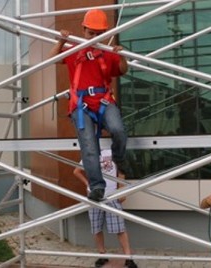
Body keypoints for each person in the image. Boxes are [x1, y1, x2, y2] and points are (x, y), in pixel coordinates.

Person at [50, 9, 129, 201]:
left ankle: (119, 158)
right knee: (89, 146)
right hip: (81, 104)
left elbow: (122, 70)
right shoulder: (75, 49)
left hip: (103, 100)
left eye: (98, 34)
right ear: (83, 30)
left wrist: (122, 55)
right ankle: (97, 186)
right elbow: (52, 58)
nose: (94, 37)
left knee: (118, 130)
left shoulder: (107, 52)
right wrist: (61, 40)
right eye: (91, 33)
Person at [73, 149, 137, 268]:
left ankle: (128, 258)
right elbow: (76, 171)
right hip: (94, 196)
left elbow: (121, 172)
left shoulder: (113, 151)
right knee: (96, 227)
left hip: (112, 195)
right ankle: (102, 255)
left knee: (119, 227)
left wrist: (122, 190)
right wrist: (88, 184)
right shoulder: (90, 152)